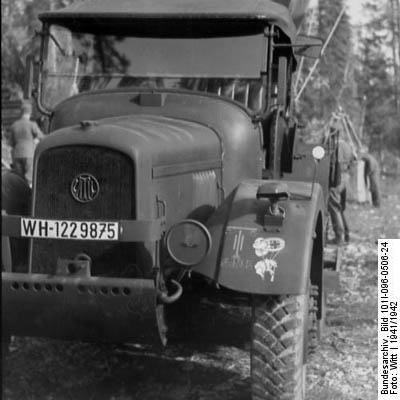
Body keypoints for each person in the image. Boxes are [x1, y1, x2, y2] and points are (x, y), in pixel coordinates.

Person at [5, 101, 44, 185]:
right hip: (29, 154)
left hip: (17, 154)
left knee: (19, 180)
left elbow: (10, 143)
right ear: (29, 113)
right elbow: (41, 136)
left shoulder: (14, 125)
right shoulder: (31, 124)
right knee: (30, 180)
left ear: (21, 112)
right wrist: (35, 140)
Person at [328, 138, 356, 245]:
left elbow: (334, 163)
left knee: (334, 207)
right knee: (341, 208)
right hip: (345, 177)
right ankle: (346, 235)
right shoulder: (348, 145)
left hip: (337, 178)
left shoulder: (336, 146)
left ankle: (339, 237)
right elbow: (354, 160)